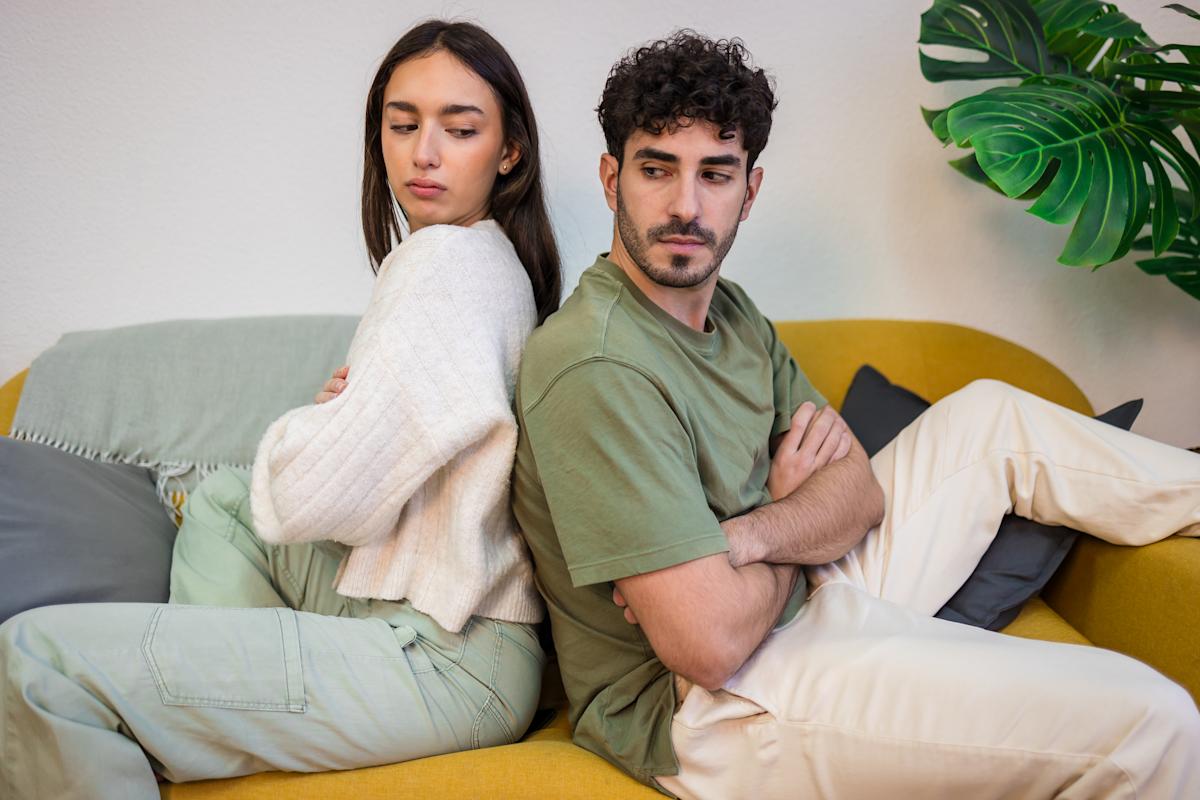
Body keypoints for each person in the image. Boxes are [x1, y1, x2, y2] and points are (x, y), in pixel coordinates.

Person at [510, 31, 1200, 799]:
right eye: (656, 169)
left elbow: (859, 492)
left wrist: (751, 534)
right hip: (704, 706)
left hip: (791, 600)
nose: (686, 206)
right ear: (612, 179)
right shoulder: (597, 364)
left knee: (993, 417)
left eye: (716, 173)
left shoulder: (732, 313)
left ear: (750, 191)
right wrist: (789, 510)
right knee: (1155, 722)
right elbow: (708, 644)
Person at [0, 20, 560, 800]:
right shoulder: (496, 258)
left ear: (509, 151)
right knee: (227, 502)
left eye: (459, 129)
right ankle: (196, 704)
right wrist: (345, 422)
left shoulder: (440, 266)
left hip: (446, 660)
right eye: (402, 125)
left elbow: (311, 495)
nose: (424, 153)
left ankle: (170, 709)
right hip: (463, 635)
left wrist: (317, 425)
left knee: (36, 657)